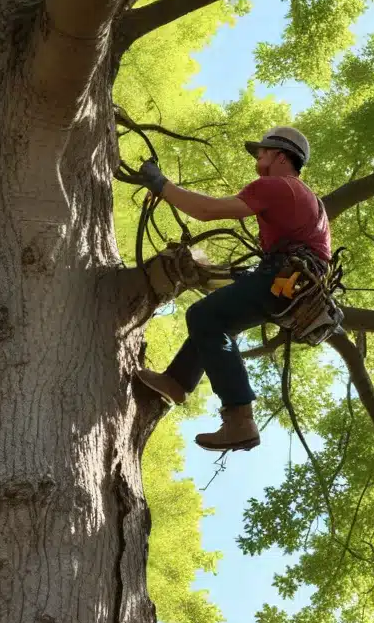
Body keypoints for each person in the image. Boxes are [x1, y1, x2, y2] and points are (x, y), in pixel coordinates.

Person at [135, 126, 331, 452]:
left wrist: (161, 184)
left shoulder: (279, 187)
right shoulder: (309, 200)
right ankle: (177, 380)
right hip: (295, 282)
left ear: (281, 156)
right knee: (217, 319)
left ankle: (239, 418)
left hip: (286, 276)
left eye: (263, 152)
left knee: (204, 315)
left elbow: (207, 211)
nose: (258, 157)